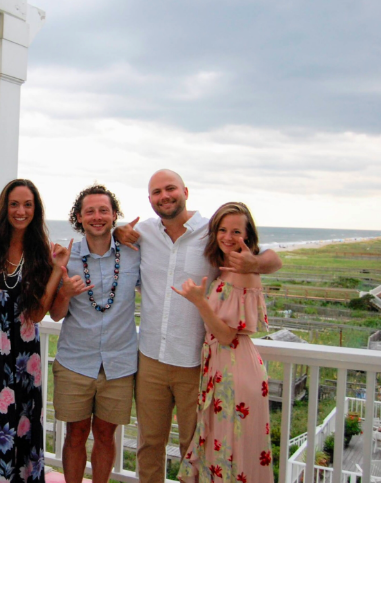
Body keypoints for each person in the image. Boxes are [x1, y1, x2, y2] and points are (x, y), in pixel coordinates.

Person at [114, 169, 281, 483]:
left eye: (170, 189)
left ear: (185, 191)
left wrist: (254, 263)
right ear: (149, 199)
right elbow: (112, 238)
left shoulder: (213, 230)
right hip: (150, 358)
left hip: (196, 364)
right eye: (156, 192)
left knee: (194, 446)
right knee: (150, 444)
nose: (164, 196)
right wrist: (117, 232)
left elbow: (273, 260)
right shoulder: (144, 232)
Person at [0, 179, 66, 483]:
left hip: (24, 358)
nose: (20, 211)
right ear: (4, 207)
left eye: (27, 205)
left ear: (36, 210)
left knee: (22, 421)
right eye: (14, 204)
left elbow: (37, 314)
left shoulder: (41, 254)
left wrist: (58, 270)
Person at [173, 202, 273, 482]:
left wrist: (199, 301)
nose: (228, 237)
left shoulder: (245, 269)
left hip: (235, 368)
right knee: (222, 446)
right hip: (220, 367)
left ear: (248, 235)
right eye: (222, 229)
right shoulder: (227, 268)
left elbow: (228, 335)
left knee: (233, 448)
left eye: (236, 231)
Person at [50, 185, 140, 483]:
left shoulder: (133, 254)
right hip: (76, 360)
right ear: (79, 217)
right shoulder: (66, 257)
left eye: (104, 210)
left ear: (115, 215)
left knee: (105, 435)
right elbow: (55, 314)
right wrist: (65, 292)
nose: (97, 217)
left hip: (119, 363)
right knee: (75, 435)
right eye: (90, 211)